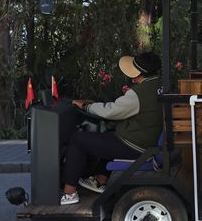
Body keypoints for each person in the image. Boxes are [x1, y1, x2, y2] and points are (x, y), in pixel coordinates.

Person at [61, 52, 163, 205]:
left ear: (140, 73)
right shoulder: (159, 85)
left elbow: (112, 111)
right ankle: (100, 180)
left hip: (136, 146)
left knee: (78, 140)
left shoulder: (138, 93)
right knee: (108, 136)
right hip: (148, 141)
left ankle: (69, 193)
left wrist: (87, 106)